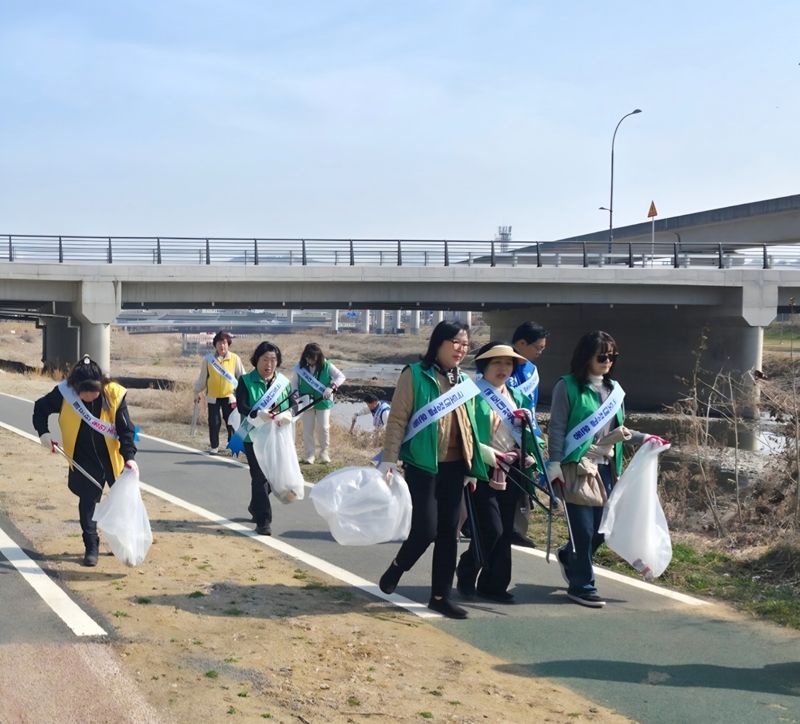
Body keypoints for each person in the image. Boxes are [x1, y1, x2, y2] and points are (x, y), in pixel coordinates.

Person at [376, 320, 488, 619]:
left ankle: (440, 596)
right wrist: (389, 460)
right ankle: (398, 567)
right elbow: (397, 419)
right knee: (425, 529)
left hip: (455, 466)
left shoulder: (464, 381)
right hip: (422, 464)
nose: (461, 349)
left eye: (465, 344)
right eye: (455, 342)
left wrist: (472, 467)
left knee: (449, 532)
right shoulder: (414, 375)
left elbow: (471, 427)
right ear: (438, 343)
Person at [546, 330, 666, 608]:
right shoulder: (567, 387)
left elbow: (618, 430)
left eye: (613, 356)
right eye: (602, 356)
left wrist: (645, 438)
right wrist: (554, 465)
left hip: (606, 469)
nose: (608, 361)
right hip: (577, 467)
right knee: (583, 530)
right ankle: (582, 586)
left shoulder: (615, 390)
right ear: (586, 356)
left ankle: (569, 557)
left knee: (603, 530)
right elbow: (557, 428)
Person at [32, 355, 138, 566]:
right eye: (85, 393)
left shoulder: (114, 394)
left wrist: (130, 458)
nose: (89, 397)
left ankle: (123, 543)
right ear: (75, 387)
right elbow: (40, 409)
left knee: (122, 502)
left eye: (94, 393)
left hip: (112, 456)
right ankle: (91, 545)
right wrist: (43, 433)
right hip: (83, 457)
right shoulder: (64, 393)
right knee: (88, 503)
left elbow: (126, 430)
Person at [456, 342, 538, 604]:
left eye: (508, 363)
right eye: (497, 363)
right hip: (482, 467)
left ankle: (495, 585)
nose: (503, 368)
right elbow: (463, 433)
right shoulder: (470, 394)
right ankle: (467, 571)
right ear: (484, 366)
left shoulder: (519, 397)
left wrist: (531, 452)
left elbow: (535, 435)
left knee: (506, 531)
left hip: (512, 470)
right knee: (491, 529)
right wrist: (488, 455)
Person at [236, 341, 293, 536]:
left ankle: (255, 505)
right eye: (265, 359)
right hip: (253, 436)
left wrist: (287, 416)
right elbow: (242, 405)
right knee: (259, 478)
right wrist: (258, 414)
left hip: (276, 437)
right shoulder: (245, 381)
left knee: (271, 478)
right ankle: (263, 521)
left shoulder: (283, 383)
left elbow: (293, 405)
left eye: (273, 360)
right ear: (256, 360)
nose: (269, 364)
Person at [506, 320, 549, 549]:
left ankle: (518, 529)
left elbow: (531, 405)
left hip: (526, 433)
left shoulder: (532, 371)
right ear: (521, 343)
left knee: (525, 482)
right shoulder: (502, 363)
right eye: (538, 347)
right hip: (502, 435)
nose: (540, 352)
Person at [193, 330, 245, 454]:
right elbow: (203, 379)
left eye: (225, 343)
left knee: (231, 423)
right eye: (219, 343)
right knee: (214, 422)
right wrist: (196, 391)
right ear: (215, 345)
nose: (222, 346)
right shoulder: (208, 360)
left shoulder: (235, 358)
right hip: (213, 397)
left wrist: (244, 393)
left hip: (230, 397)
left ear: (228, 344)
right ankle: (214, 446)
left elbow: (241, 377)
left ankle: (233, 446)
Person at [293, 342, 346, 464]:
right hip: (306, 402)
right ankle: (309, 454)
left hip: (323, 401)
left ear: (318, 357)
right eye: (307, 357)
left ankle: (324, 452)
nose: (310, 360)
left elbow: (341, 377)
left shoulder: (327, 365)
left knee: (323, 428)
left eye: (312, 358)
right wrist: (296, 396)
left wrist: (331, 387)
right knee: (307, 429)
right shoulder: (299, 368)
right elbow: (294, 384)